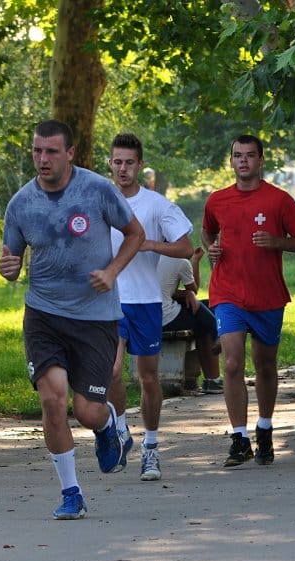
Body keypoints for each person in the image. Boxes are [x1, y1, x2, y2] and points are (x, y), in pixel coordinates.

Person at [0, 119, 145, 519]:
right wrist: (8, 268)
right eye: (36, 151)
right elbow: (10, 264)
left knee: (87, 411)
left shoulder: (97, 189)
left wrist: (112, 272)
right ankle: (71, 493)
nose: (41, 159)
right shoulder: (21, 204)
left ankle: (108, 422)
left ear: (70, 154)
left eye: (50, 152)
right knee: (52, 397)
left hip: (95, 317)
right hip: (44, 314)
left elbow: (135, 233)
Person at [202, 134, 295, 468]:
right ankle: (238, 437)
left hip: (267, 295)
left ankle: (264, 428)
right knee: (231, 363)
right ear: (230, 161)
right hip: (227, 292)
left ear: (261, 160)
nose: (243, 161)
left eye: (249, 155)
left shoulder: (279, 200)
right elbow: (207, 232)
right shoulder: (217, 200)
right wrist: (212, 250)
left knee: (264, 365)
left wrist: (276, 241)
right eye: (237, 155)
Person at [107, 133, 194, 483]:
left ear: (140, 165)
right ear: (110, 163)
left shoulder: (156, 205)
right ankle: (119, 430)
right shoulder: (100, 199)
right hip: (109, 300)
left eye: (129, 162)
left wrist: (148, 244)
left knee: (147, 376)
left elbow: (187, 248)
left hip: (145, 301)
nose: (123, 168)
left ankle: (151, 447)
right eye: (117, 162)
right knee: (111, 373)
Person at [157, 247, 223, 393]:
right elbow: (194, 289)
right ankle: (213, 378)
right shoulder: (179, 261)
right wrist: (195, 261)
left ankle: (218, 333)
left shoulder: (146, 255)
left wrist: (187, 293)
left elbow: (166, 291)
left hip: (144, 315)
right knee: (205, 311)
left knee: (203, 308)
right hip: (166, 318)